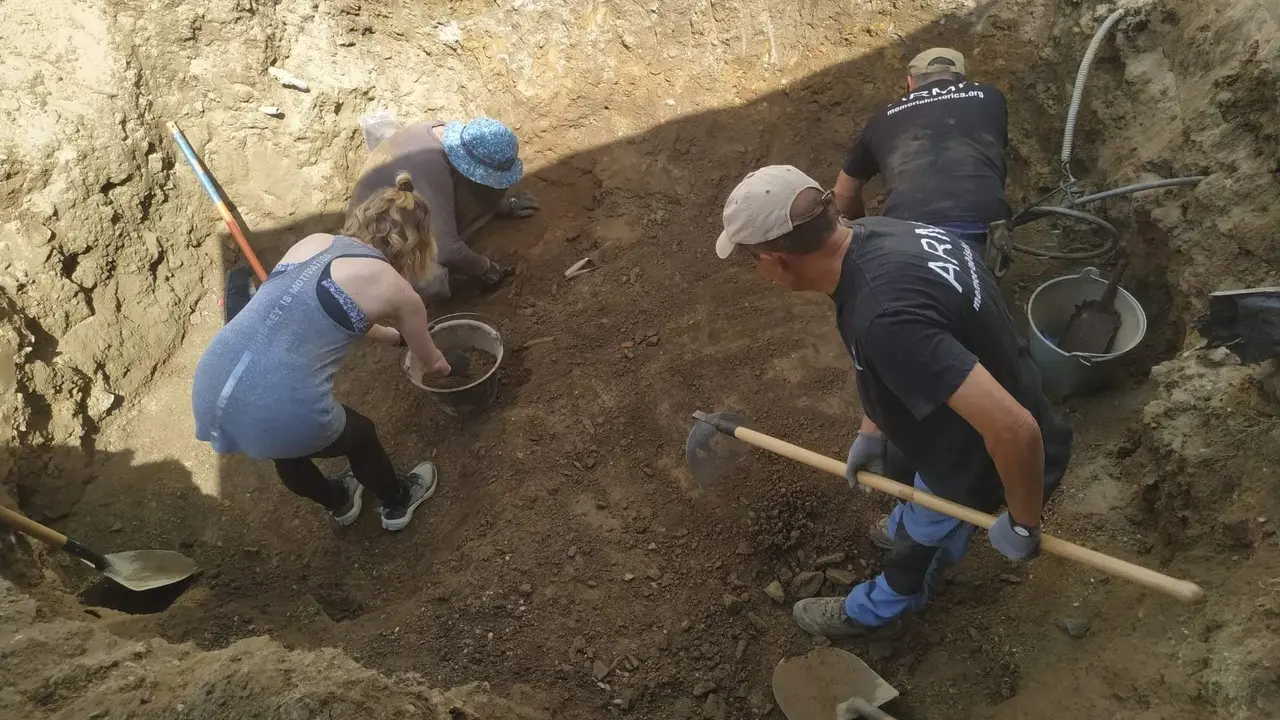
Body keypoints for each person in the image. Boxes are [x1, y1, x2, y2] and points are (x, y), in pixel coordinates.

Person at [715, 165, 1072, 637]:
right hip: (987, 399)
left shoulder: (885, 317)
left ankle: (883, 606)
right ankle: (916, 524)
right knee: (920, 516)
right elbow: (901, 360)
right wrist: (872, 429)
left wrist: (1024, 523)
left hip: (975, 460)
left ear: (776, 260)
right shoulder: (875, 234)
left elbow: (1015, 430)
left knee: (920, 545)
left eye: (752, 259)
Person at [193, 174, 455, 532]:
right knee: (361, 437)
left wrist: (395, 339)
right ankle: (397, 501)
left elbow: (335, 310)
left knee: (283, 449)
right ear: (416, 244)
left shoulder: (314, 242)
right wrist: (449, 367)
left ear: (363, 216)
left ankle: (339, 501)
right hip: (281, 404)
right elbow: (432, 363)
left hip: (212, 381)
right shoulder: (395, 288)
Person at [833, 48, 1008, 255]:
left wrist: (858, 225)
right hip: (983, 229)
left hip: (910, 237)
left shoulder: (883, 117)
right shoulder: (990, 97)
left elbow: (843, 193)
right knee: (978, 283)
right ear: (960, 78)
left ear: (910, 83)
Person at [349, 116, 540, 300]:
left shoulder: (455, 140)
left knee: (481, 189)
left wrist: (505, 206)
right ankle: (456, 285)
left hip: (409, 201)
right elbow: (445, 249)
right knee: (431, 279)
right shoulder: (428, 167)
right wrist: (486, 268)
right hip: (383, 232)